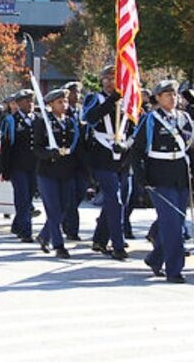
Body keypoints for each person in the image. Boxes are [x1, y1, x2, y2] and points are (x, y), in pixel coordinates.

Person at [133, 80, 194, 283]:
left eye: (174, 94)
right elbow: (136, 151)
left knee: (176, 222)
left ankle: (155, 259)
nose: (172, 98)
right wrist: (141, 179)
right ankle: (175, 269)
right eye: (167, 95)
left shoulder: (184, 119)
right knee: (171, 224)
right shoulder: (150, 120)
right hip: (159, 177)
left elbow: (192, 150)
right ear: (158, 98)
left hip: (180, 176)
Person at [84, 65, 134, 260]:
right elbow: (89, 118)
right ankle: (118, 244)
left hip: (123, 153)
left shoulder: (128, 100)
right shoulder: (95, 99)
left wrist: (127, 145)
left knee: (122, 198)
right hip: (102, 153)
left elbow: (135, 128)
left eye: (114, 77)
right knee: (114, 199)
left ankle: (99, 238)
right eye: (107, 78)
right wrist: (112, 101)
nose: (110, 81)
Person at [32, 89, 82, 257]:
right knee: (53, 209)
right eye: (60, 102)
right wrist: (49, 153)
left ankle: (44, 235)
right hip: (48, 171)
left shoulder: (70, 122)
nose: (64, 105)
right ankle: (58, 245)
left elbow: (76, 147)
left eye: (65, 102)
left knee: (63, 209)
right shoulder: (43, 122)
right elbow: (36, 148)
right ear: (51, 104)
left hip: (66, 170)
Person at [0, 89, 38, 243]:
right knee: (22, 198)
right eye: (26, 101)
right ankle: (25, 231)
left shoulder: (38, 119)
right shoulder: (11, 121)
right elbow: (6, 147)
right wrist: (5, 169)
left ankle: (17, 225)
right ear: (18, 103)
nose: (30, 104)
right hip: (18, 166)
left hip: (34, 166)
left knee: (28, 197)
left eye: (31, 101)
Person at [63, 81, 87, 240]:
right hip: (68, 160)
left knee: (80, 192)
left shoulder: (81, 111)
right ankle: (71, 229)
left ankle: (66, 218)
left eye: (78, 92)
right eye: (73, 92)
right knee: (70, 195)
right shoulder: (63, 113)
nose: (76, 95)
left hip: (82, 160)